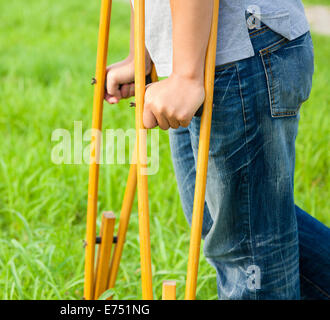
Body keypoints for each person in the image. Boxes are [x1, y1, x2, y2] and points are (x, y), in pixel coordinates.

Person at [104, 0, 330, 299]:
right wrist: (143, 50)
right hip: (201, 53)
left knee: (247, 248)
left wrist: (187, 76)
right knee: (233, 227)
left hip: (238, 51)